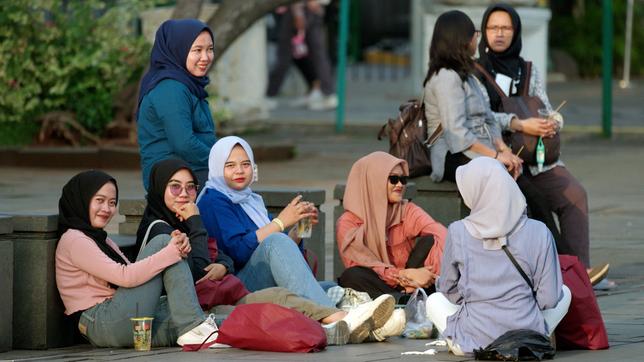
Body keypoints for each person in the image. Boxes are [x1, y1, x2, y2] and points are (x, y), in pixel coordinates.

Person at [135, 158, 397, 345]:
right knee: (280, 282)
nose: (185, 194)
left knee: (305, 287)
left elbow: (221, 254)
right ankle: (345, 321)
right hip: (194, 309)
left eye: (190, 186)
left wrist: (292, 231)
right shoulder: (198, 209)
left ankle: (352, 320)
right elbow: (208, 265)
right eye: (175, 187)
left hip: (225, 288)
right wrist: (280, 224)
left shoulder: (250, 201)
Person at [475, 3, 609, 285]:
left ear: (516, 32)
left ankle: (580, 273)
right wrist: (520, 124)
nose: (499, 34)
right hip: (504, 158)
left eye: (506, 28)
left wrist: (552, 122)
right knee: (535, 206)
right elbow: (480, 118)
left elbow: (546, 106)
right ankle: (563, 275)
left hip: (540, 158)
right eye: (493, 27)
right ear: (484, 32)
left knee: (575, 195)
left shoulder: (528, 69)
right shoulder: (475, 72)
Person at [55, 170, 219, 348]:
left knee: (208, 326)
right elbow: (125, 276)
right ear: (82, 199)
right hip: (101, 322)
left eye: (111, 202)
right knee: (164, 241)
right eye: (99, 201)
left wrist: (176, 248)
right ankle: (194, 325)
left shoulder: (100, 238)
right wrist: (171, 251)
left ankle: (202, 328)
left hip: (118, 321)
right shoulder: (75, 240)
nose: (107, 209)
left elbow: (132, 271)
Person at [426, 157, 571, 356]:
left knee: (433, 300)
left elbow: (449, 289)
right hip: (524, 336)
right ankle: (537, 335)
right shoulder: (540, 231)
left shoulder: (458, 231)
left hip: (472, 343)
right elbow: (549, 298)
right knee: (565, 291)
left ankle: (465, 337)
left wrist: (477, 301)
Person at [196, 136, 333, 308]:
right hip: (236, 286)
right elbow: (237, 252)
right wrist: (280, 222)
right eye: (230, 165)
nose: (239, 171)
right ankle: (333, 317)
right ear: (216, 168)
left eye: (245, 164)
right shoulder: (213, 200)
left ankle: (352, 311)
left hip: (259, 278)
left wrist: (298, 229)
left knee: (331, 287)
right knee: (275, 240)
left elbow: (279, 254)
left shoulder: (251, 200)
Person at [423, 10, 527, 183]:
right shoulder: (446, 77)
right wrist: (495, 156)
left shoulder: (469, 76)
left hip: (480, 150)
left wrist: (503, 149)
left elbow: (489, 119)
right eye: (475, 34)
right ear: (463, 40)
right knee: (517, 188)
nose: (476, 39)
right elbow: (456, 134)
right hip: (453, 155)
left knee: (527, 189)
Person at [336, 151, 448, 302]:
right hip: (379, 285)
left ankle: (408, 299)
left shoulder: (406, 210)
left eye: (403, 179)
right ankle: (406, 301)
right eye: (394, 179)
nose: (400, 185)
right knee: (351, 276)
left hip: (412, 283)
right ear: (374, 181)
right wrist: (404, 275)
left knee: (431, 240)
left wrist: (428, 274)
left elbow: (442, 233)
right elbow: (365, 264)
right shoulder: (348, 223)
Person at [137, 19, 217, 190]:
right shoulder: (170, 88)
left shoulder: (188, 85)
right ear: (177, 50)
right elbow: (184, 144)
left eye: (210, 49)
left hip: (192, 170)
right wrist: (223, 162)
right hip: (173, 178)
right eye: (197, 50)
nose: (205, 57)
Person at [266, 1, 337, 110]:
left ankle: (270, 94)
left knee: (286, 54)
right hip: (314, 8)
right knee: (315, 52)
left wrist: (297, 12)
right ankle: (324, 91)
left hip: (300, 8)